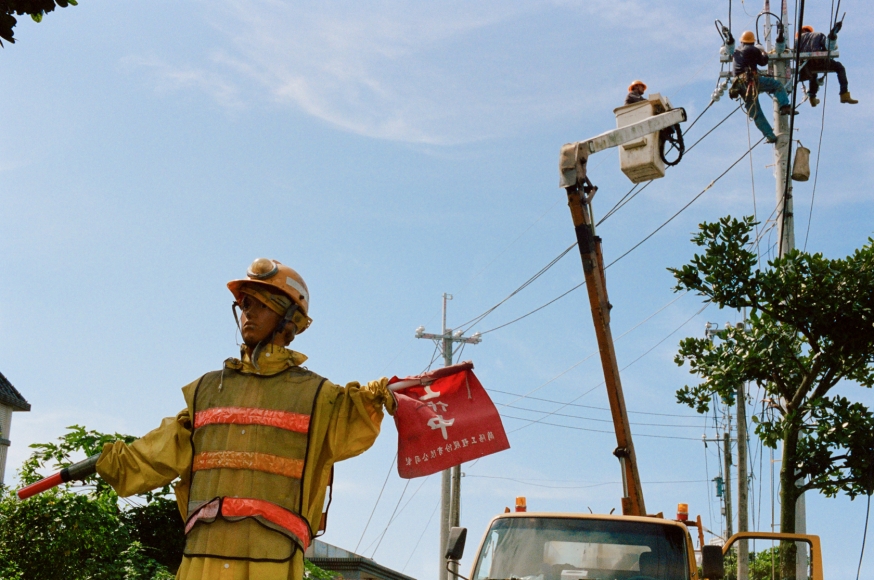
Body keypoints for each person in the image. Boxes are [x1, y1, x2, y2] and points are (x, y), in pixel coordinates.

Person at [95, 258, 397, 580]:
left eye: (262, 305)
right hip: (202, 560)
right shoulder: (207, 390)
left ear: (290, 319)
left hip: (272, 563)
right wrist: (111, 462)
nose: (248, 313)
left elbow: (355, 420)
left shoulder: (319, 397)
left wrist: (378, 396)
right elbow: (156, 455)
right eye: (245, 304)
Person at [732, 30, 793, 143]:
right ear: (752, 42)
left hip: (739, 85)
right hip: (750, 81)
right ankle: (784, 106)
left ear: (742, 41)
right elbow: (763, 62)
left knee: (755, 112)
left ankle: (770, 136)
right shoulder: (752, 49)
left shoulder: (736, 52)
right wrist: (765, 54)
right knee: (777, 85)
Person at [797, 24, 857, 106]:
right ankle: (844, 94)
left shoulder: (797, 40)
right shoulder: (818, 35)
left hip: (806, 66)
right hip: (819, 61)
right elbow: (827, 46)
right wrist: (832, 36)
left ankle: (812, 97)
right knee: (839, 67)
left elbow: (795, 54)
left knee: (813, 75)